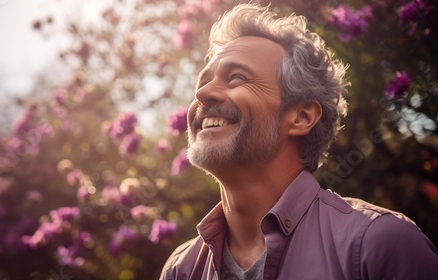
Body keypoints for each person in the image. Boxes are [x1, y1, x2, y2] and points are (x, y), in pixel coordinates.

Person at [160, 3, 438, 280]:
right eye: (202, 83)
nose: (203, 93)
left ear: (302, 116)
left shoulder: (379, 246)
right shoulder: (180, 270)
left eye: (236, 78)